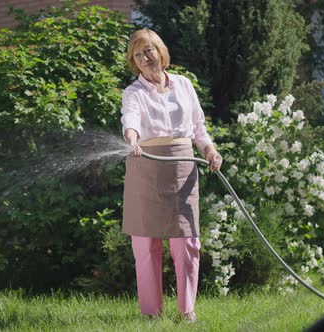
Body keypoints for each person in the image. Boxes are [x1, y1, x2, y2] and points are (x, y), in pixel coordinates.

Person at [120, 28, 223, 322]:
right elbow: (131, 118)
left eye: (148, 51)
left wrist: (210, 152)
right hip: (146, 168)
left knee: (187, 243)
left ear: (160, 51)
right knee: (146, 245)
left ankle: (187, 310)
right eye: (137, 55)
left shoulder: (184, 85)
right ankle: (152, 314)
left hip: (182, 168)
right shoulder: (134, 92)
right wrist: (132, 137)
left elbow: (198, 128)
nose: (144, 58)